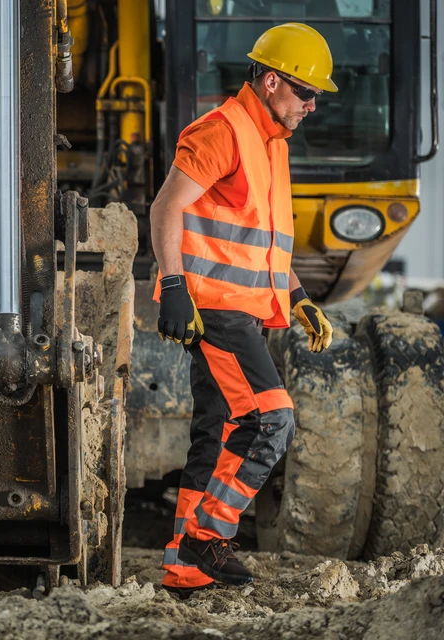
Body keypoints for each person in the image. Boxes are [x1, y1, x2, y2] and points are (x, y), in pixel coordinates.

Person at [150, 23, 337, 599]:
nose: (312, 106)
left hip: (246, 309)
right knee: (272, 419)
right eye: (307, 94)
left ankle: (186, 568)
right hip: (216, 310)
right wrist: (174, 286)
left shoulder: (271, 143)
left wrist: (299, 296)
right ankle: (210, 535)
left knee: (217, 434)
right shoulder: (223, 132)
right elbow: (165, 209)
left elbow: (261, 242)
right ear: (273, 80)